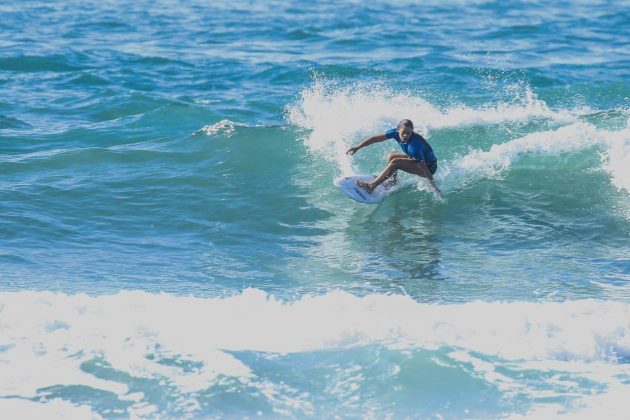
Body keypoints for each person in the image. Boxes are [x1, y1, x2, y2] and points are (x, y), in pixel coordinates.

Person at [345, 119, 442, 196]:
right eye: (403, 132)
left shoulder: (415, 145)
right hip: (414, 158)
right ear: (398, 130)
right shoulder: (394, 133)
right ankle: (393, 181)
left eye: (408, 133)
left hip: (429, 167)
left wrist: (434, 187)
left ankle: (371, 186)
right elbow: (376, 138)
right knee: (391, 156)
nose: (405, 135)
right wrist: (357, 147)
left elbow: (423, 167)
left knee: (395, 162)